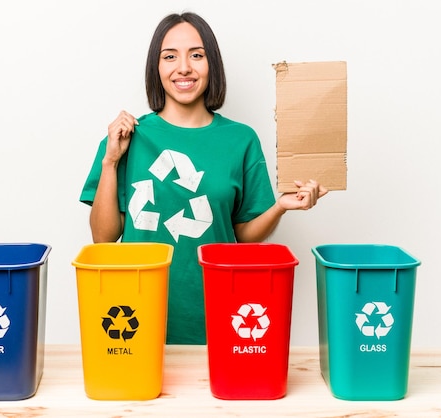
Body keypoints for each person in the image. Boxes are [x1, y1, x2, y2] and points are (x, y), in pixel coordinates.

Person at [79, 12, 327, 344]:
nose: (184, 67)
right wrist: (111, 161)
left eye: (197, 55)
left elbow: (244, 237)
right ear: (157, 67)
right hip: (136, 315)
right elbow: (103, 239)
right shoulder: (127, 139)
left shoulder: (240, 140)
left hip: (218, 311)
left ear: (212, 65)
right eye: (170, 56)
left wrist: (279, 207)